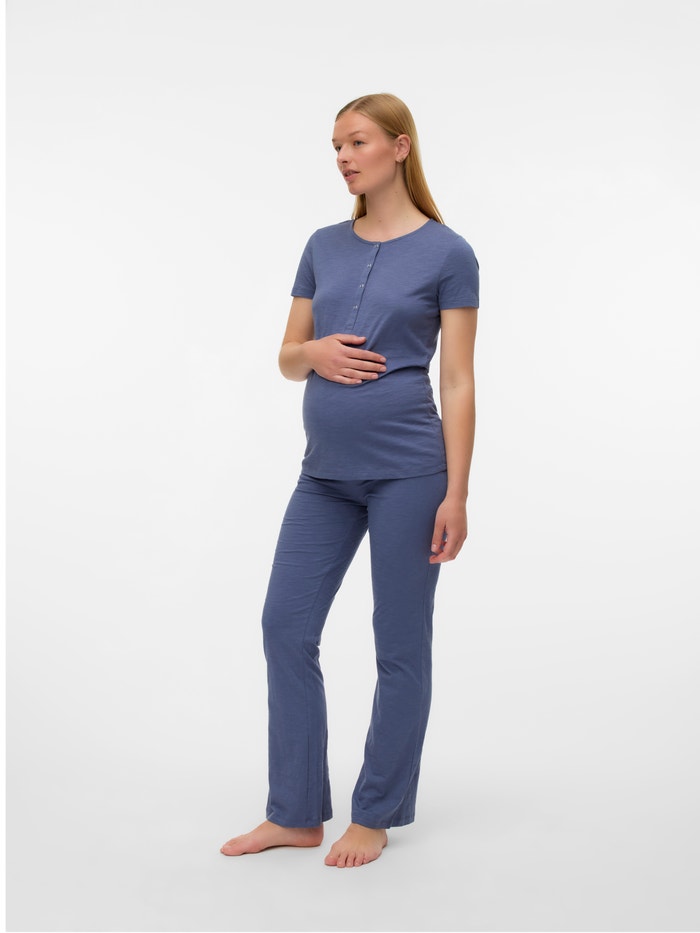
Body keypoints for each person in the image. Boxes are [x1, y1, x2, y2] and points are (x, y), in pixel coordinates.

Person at [220, 92, 479, 868]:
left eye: (357, 142)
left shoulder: (449, 253)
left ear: (400, 147)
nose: (342, 157)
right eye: (335, 145)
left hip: (410, 473)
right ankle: (296, 812)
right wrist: (314, 353)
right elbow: (287, 356)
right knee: (283, 625)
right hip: (324, 476)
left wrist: (457, 492)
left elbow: (458, 379)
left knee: (398, 644)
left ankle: (378, 811)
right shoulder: (322, 245)